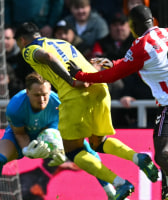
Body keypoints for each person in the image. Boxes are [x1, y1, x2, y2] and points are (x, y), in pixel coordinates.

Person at [68, 4, 168, 200]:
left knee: (163, 153)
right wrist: (112, 62)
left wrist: (81, 75)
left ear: (133, 25)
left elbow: (113, 76)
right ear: (152, 20)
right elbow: (138, 60)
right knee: (159, 143)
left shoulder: (141, 44)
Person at [14, 22, 158, 200]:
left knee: (72, 151)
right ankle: (138, 157)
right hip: (99, 86)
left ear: (21, 40)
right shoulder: (60, 42)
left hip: (76, 93)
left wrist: (72, 80)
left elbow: (48, 57)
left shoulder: (29, 49)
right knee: (98, 143)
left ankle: (120, 183)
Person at [0, 72, 119, 200]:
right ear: (27, 92)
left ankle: (110, 191)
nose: (41, 99)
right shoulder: (15, 107)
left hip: (47, 132)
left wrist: (56, 146)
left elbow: (59, 130)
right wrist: (27, 150)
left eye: (45, 95)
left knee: (87, 150)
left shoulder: (58, 103)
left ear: (50, 90)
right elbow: (20, 133)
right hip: (21, 134)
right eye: (36, 95)